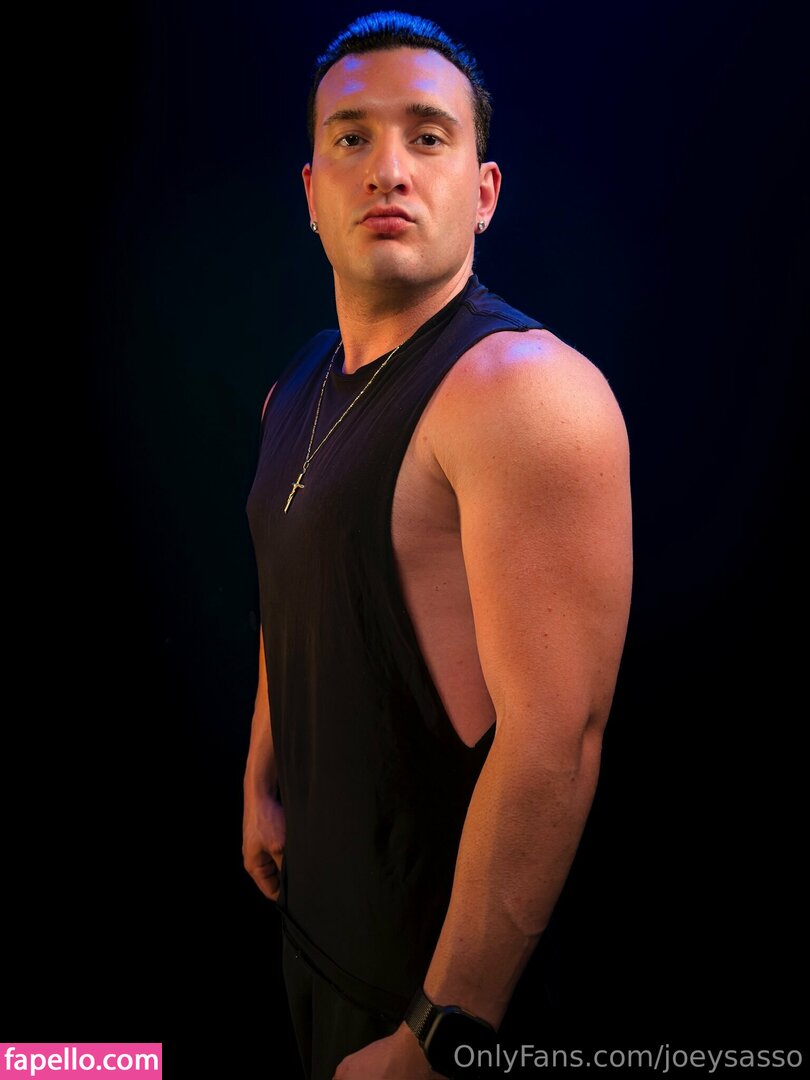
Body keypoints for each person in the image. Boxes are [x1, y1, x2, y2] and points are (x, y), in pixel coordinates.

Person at [243, 10, 632, 1080]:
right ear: (311, 192)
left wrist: (441, 1035)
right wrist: (263, 767)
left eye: (427, 135)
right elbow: (294, 579)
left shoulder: (524, 395)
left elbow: (558, 743)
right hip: (315, 933)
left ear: (485, 191)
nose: (388, 169)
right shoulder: (297, 384)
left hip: (434, 997)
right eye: (351, 138)